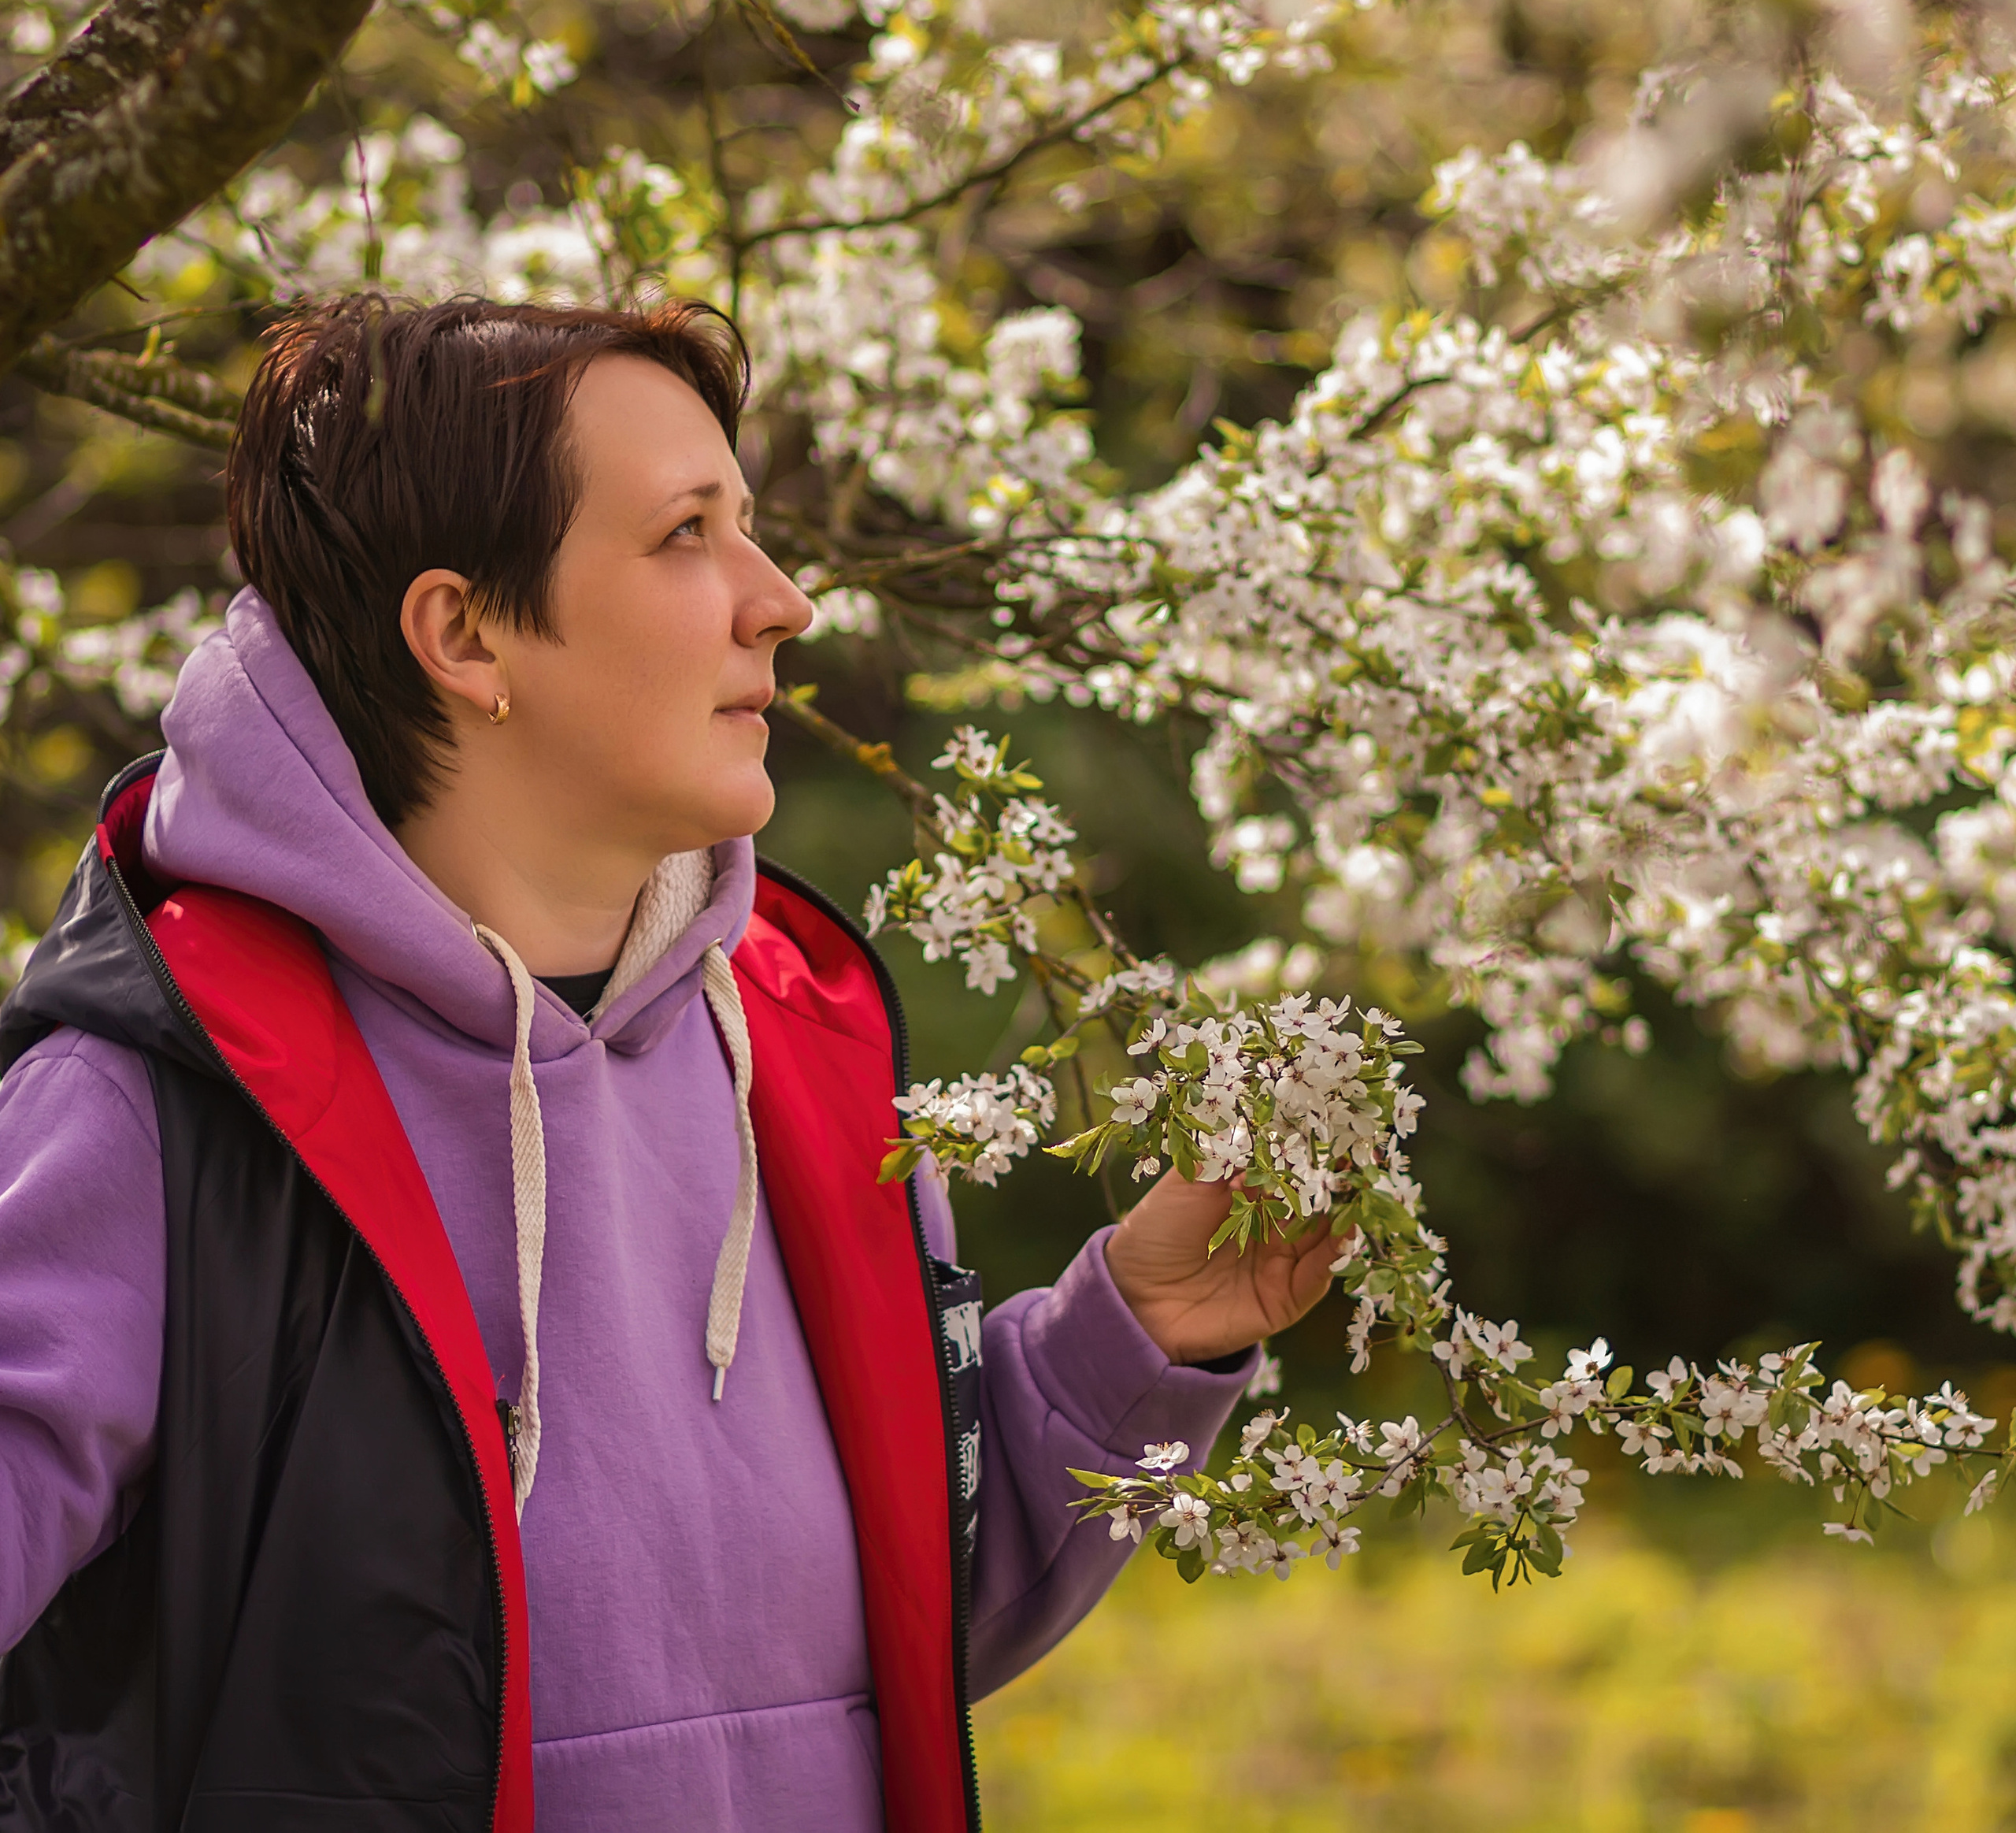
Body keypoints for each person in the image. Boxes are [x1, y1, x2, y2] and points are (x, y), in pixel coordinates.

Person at [0, 295, 1336, 1831]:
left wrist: (1134, 1334)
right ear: (465, 633)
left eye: (746, 528)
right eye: (687, 533)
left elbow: (883, 1642)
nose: (780, 601)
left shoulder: (802, 1053)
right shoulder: (163, 1099)